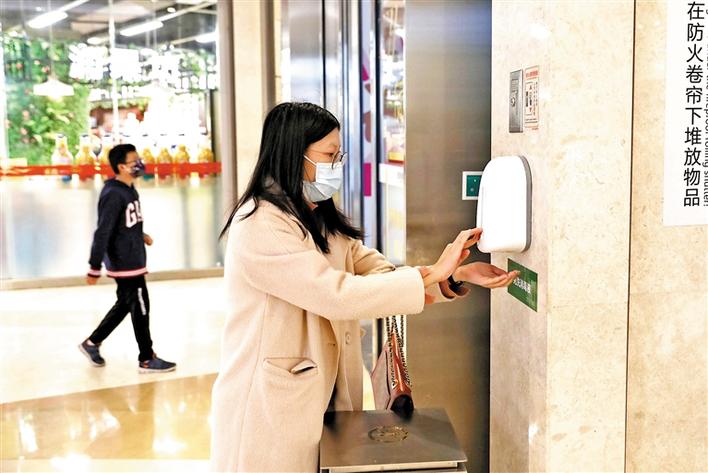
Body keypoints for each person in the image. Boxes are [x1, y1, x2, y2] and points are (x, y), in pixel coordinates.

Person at [210, 102, 518, 472]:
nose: (336, 165)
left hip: (325, 398)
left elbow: (380, 277)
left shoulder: (319, 219)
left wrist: (454, 276)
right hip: (271, 407)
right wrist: (433, 271)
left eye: (338, 155)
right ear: (293, 154)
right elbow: (336, 295)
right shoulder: (260, 224)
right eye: (328, 155)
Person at [78, 143, 176, 373]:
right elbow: (103, 231)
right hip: (125, 262)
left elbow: (123, 224)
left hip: (133, 257)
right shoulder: (113, 194)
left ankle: (92, 343)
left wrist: (141, 235)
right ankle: (146, 358)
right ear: (121, 166)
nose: (140, 164)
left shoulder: (129, 189)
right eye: (135, 161)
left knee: (125, 304)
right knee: (141, 305)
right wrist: (94, 266)